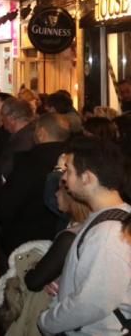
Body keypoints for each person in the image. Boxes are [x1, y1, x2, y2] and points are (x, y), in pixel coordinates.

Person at [38, 137, 131, 334]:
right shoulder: (109, 219)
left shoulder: (109, 234)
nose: (63, 178)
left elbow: (94, 302)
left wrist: (46, 322)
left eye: (69, 171)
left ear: (87, 178)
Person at [0, 114, 70, 261]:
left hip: (25, 240)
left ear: (41, 132)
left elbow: (9, 202)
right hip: (58, 239)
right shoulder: (74, 161)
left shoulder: (30, 162)